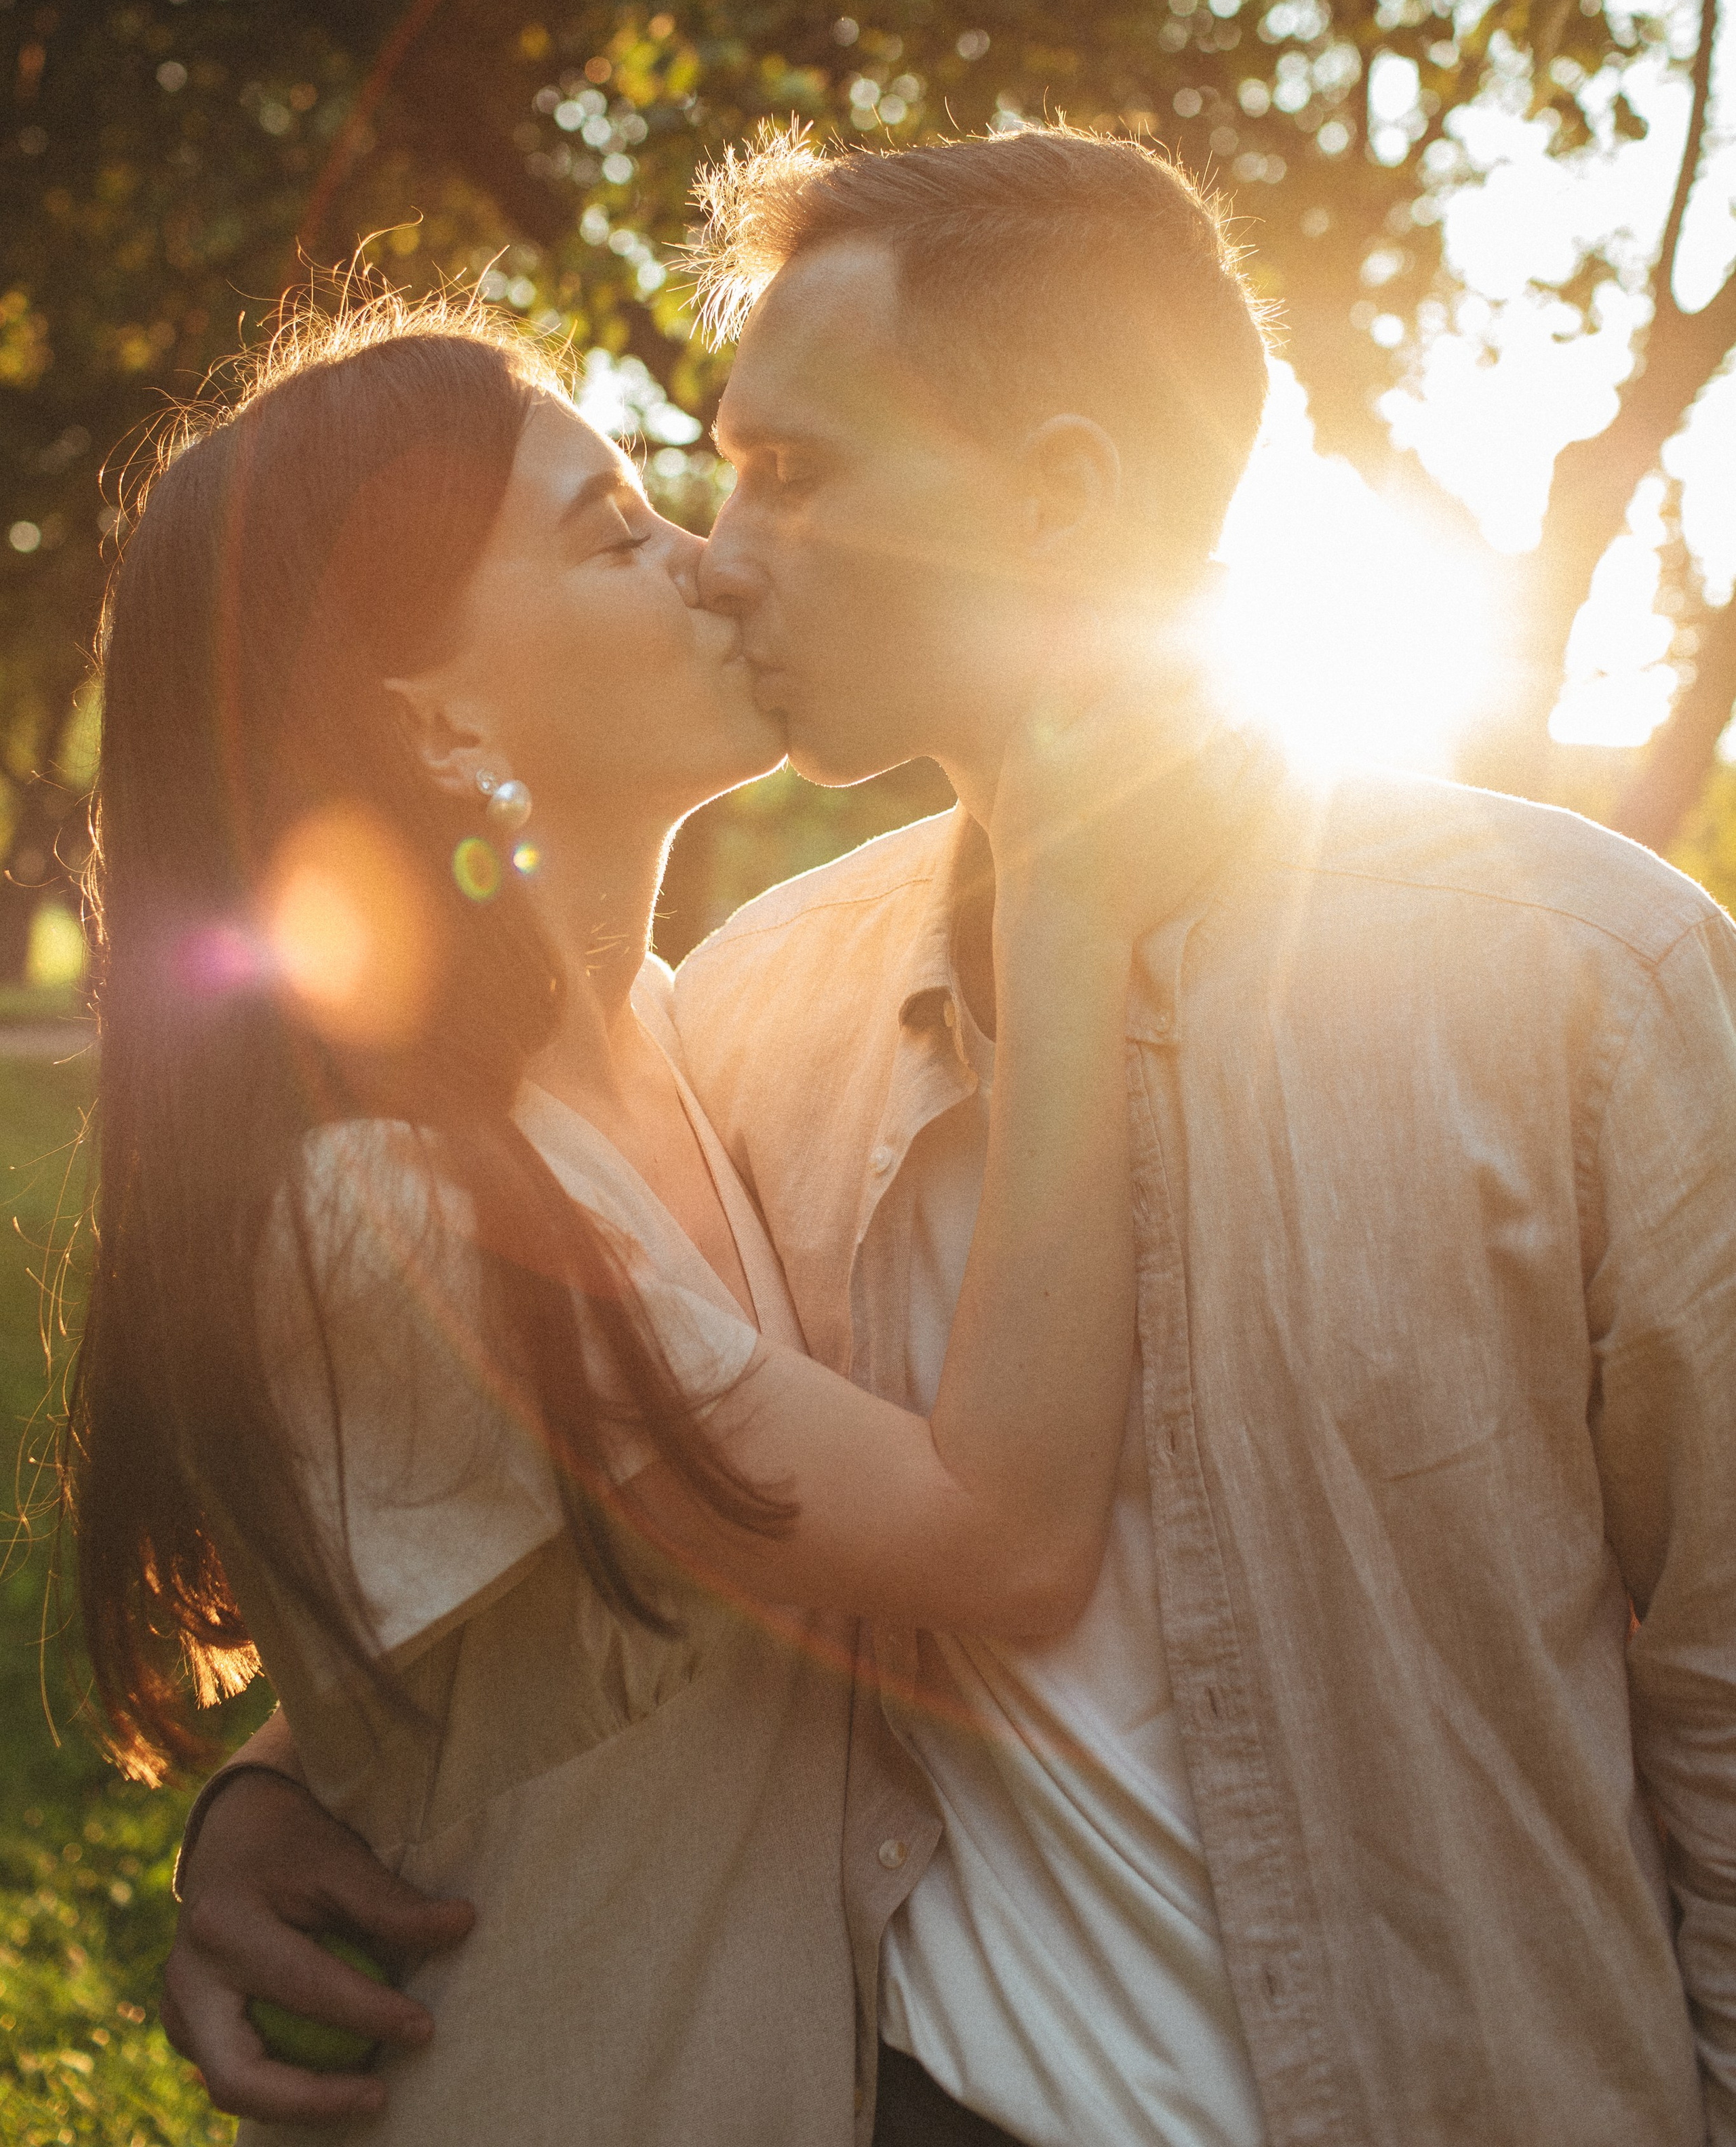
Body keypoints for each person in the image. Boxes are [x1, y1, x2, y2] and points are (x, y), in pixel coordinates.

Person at [166, 127, 1736, 2147]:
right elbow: (617, 1530)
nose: (724, 551)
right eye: (698, 482)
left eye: (794, 478)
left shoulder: (1582, 985)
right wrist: (283, 1783)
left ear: (1059, 500)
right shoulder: (753, 1004)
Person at [66, 287, 1246, 2145]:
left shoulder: (675, 1033)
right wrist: (1071, 891)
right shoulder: (397, 1203)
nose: (715, 567)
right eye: (616, 532)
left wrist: (263, 1784)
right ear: (442, 718)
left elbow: (532, 1635)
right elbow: (1003, 1534)